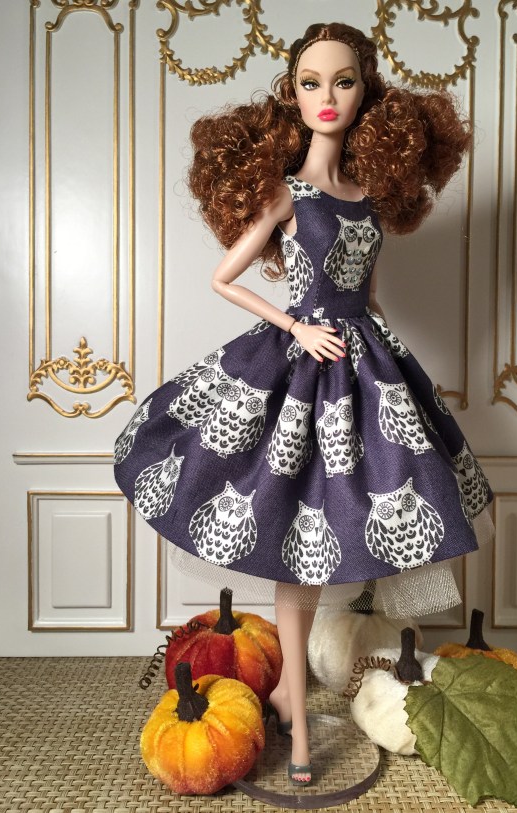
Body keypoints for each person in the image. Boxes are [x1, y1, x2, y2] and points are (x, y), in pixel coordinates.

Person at [114, 22, 494, 787]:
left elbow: (368, 295)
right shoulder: (291, 192)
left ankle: (291, 687)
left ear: (366, 93)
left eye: (343, 81)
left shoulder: (368, 200)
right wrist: (294, 326)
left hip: (361, 368)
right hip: (300, 367)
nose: (328, 97)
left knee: (327, 531)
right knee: (293, 529)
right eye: (311, 82)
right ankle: (291, 697)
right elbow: (224, 278)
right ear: (291, 93)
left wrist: (386, 359)